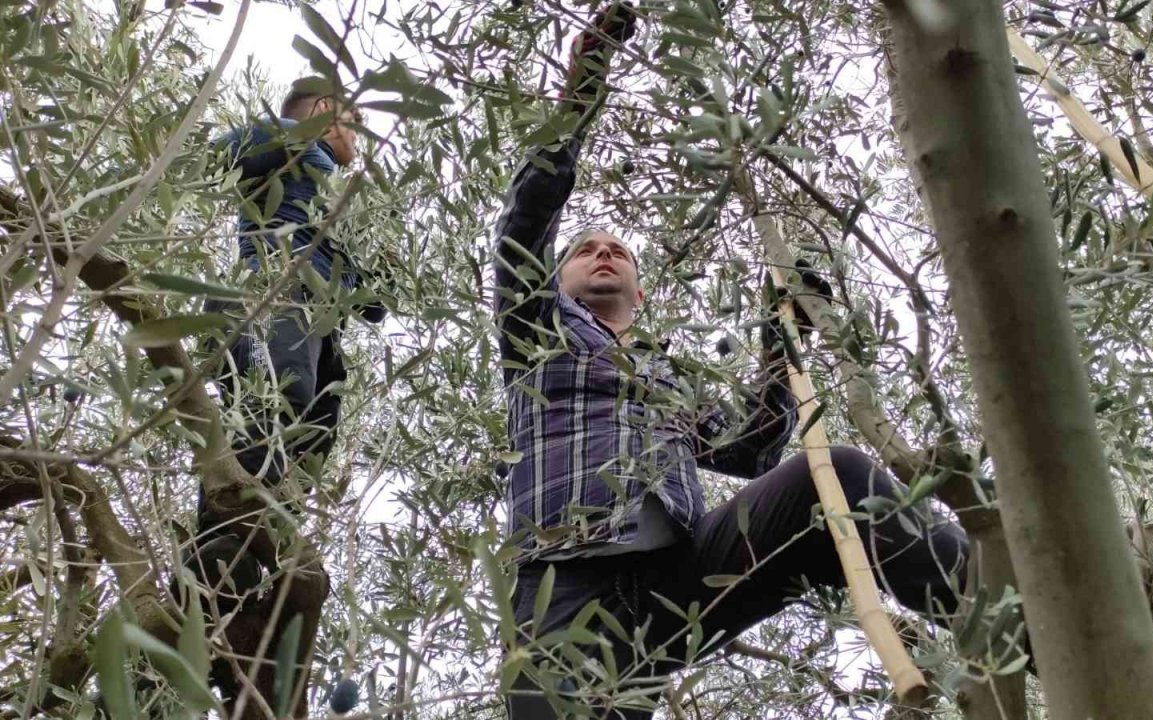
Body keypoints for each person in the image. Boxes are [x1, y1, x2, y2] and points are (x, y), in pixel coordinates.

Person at [491, 5, 969, 718]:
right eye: (584, 249)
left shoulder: (667, 379)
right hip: (568, 581)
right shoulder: (537, 332)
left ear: (639, 290)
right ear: (556, 281)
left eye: (617, 249)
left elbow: (752, 447)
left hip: (683, 572)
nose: (603, 250)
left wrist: (780, 335)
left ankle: (1004, 607)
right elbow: (523, 225)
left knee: (831, 475)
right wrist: (582, 84)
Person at [184, 77, 389, 607]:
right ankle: (224, 544)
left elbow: (372, 303)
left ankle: (261, 554)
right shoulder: (292, 139)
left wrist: (377, 272)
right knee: (272, 404)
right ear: (323, 111)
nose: (357, 138)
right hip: (272, 290)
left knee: (305, 432)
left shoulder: (334, 194)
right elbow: (223, 156)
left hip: (316, 316)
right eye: (352, 122)